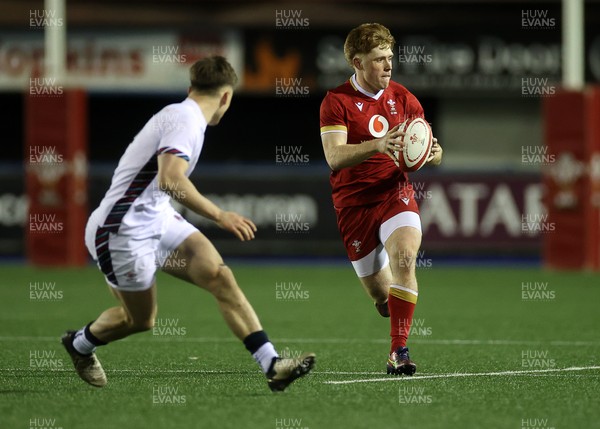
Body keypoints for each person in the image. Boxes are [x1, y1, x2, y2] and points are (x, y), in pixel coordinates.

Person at [61, 55, 315, 392]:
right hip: (121, 231)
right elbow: (171, 179)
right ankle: (79, 344)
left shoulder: (183, 115)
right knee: (140, 320)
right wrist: (219, 214)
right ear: (227, 97)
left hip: (156, 217)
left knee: (219, 276)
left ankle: (272, 365)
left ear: (190, 87)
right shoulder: (185, 120)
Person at [319, 23, 442, 375]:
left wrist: (432, 153)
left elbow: (431, 151)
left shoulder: (403, 98)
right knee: (381, 296)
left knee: (404, 258)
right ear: (357, 62)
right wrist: (378, 144)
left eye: (390, 57)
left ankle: (398, 351)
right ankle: (387, 302)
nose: (388, 66)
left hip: (394, 194)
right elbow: (334, 157)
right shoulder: (336, 102)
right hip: (354, 206)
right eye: (379, 60)